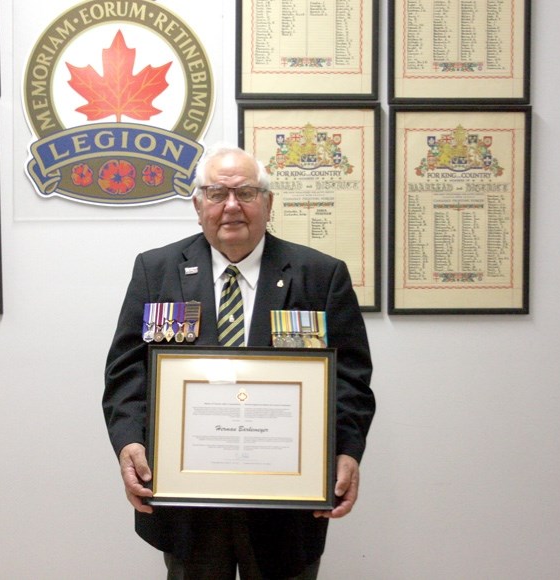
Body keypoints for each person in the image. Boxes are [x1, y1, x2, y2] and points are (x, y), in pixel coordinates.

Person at [103, 143, 375, 579]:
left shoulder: (320, 275)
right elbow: (127, 372)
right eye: (216, 193)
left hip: (286, 506)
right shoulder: (158, 270)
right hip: (189, 505)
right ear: (198, 205)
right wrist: (129, 443)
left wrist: (347, 450)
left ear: (268, 204)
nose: (231, 206)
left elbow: (351, 380)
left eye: (246, 193)